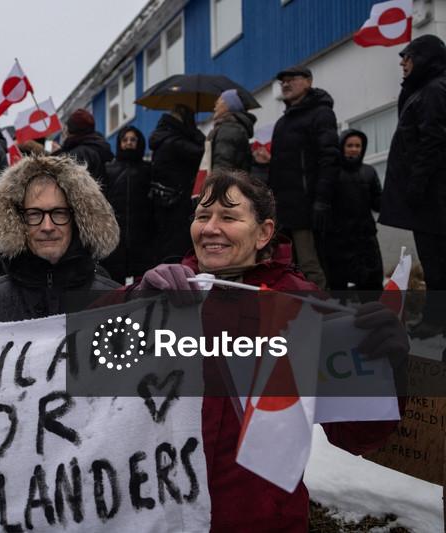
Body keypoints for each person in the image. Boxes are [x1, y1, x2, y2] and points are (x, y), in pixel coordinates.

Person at [137, 170, 405, 531]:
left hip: (260, 519)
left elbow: (358, 434)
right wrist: (132, 304)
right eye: (202, 216)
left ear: (263, 232)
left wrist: (387, 363)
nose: (210, 228)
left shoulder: (303, 305)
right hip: (164, 516)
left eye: (229, 216)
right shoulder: (164, 292)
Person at [0, 154, 120, 322]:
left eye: (59, 213)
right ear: (16, 221)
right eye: (34, 214)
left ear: (77, 220)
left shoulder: (118, 305)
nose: (47, 227)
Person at [380, 34, 446, 338]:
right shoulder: (422, 90)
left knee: (436, 262)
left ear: (425, 59)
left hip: (434, 197)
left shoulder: (434, 90)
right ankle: (435, 318)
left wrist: (416, 186)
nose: (403, 64)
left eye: (409, 57)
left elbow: (432, 141)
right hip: (430, 196)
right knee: (433, 261)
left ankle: (436, 320)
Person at [269, 65, 339, 289]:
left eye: (292, 79)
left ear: (308, 81)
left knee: (310, 264)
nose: (286, 84)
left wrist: (321, 200)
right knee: (285, 265)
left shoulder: (321, 114)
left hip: (307, 208)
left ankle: (322, 311)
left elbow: (329, 158)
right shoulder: (282, 123)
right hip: (283, 209)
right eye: (283, 82)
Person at [324, 129, 383, 292]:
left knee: (371, 282)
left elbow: (378, 201)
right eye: (350, 145)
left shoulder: (369, 172)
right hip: (338, 238)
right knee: (338, 284)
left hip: (365, 237)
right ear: (341, 146)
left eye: (358, 145)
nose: (354, 149)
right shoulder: (332, 172)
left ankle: (373, 314)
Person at [149, 104, 205, 263]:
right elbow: (201, 151)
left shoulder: (162, 137)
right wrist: (195, 132)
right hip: (178, 202)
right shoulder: (176, 141)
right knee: (176, 249)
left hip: (164, 201)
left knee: (166, 245)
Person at [101, 125, 155, 284]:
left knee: (142, 284)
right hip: (116, 237)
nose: (129, 143)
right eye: (125, 140)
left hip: (142, 236)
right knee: (115, 285)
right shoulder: (109, 169)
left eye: (133, 139)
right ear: (119, 143)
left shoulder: (148, 169)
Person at [52, 109, 113, 184]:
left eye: (67, 128)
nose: (65, 132)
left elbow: (64, 178)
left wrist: (57, 154)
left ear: (73, 130)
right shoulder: (97, 145)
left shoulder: (80, 153)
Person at [209, 89, 256, 173]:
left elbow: (222, 166)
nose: (214, 107)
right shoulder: (233, 127)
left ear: (228, 105)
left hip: (223, 183)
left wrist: (215, 185)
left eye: (218, 103)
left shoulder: (229, 130)